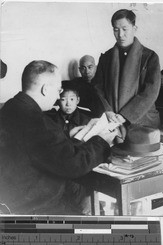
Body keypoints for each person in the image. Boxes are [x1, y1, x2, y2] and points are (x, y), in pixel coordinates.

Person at [0, 60, 118, 215]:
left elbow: (48, 152)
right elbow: (73, 165)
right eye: (58, 90)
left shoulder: (11, 107)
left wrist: (77, 137)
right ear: (45, 89)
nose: (58, 95)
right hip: (39, 208)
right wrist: (102, 141)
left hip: (13, 201)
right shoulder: (37, 121)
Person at [92, 9, 161, 141]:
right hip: (112, 121)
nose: (120, 34)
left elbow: (150, 92)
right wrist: (107, 110)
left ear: (134, 28)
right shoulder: (106, 57)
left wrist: (125, 115)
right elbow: (97, 88)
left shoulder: (149, 56)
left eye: (125, 29)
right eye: (116, 29)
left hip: (142, 123)